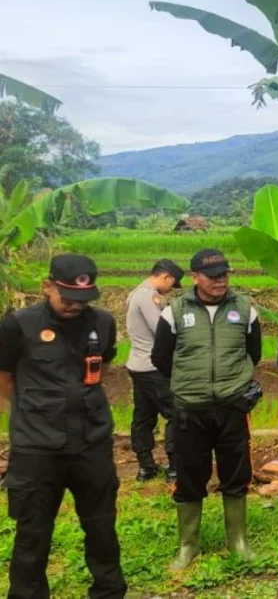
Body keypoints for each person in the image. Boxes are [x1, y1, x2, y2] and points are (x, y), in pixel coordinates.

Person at [0, 254, 127, 598]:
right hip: (37, 449)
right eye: (67, 297)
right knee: (33, 533)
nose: (75, 306)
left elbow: (103, 365)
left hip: (92, 441)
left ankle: (109, 591)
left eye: (83, 299)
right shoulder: (18, 324)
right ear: (47, 286)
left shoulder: (102, 322)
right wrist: (33, 411)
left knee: (101, 527)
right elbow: (4, 376)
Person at [151, 248, 263, 569]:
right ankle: (188, 546)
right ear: (196, 277)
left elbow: (252, 354)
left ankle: (238, 542)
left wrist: (235, 385)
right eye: (213, 277)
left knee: (236, 473)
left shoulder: (244, 309)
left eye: (225, 275)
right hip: (190, 410)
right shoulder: (174, 311)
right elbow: (162, 358)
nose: (220, 281)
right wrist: (186, 390)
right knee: (189, 476)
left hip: (231, 407)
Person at [125, 258, 184, 482]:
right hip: (153, 367)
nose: (170, 289)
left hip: (138, 364)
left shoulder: (136, 293)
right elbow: (162, 330)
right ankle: (175, 467)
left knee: (143, 415)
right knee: (176, 413)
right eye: (172, 283)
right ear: (164, 276)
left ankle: (146, 466)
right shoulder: (148, 296)